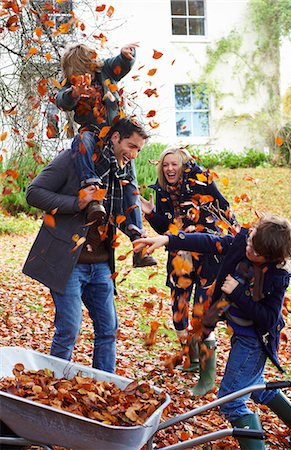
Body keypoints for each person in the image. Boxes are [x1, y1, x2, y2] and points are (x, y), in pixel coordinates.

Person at [133, 215, 291, 449]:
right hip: (240, 333)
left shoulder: (277, 276)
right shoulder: (244, 241)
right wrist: (167, 240)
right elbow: (209, 242)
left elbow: (270, 320)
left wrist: (237, 293)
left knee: (231, 400)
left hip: (253, 341)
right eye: (250, 241)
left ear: (270, 258)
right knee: (254, 385)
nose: (248, 248)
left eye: (255, 250)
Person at [22, 119, 149, 374]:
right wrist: (77, 203)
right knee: (69, 329)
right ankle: (54, 386)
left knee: (108, 330)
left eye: (138, 150)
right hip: (68, 262)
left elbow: (117, 212)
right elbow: (33, 193)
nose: (133, 155)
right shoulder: (72, 159)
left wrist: (137, 233)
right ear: (114, 138)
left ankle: (105, 384)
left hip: (101, 265)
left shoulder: (122, 171)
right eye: (131, 146)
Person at [140, 147, 237, 395]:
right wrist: (151, 213)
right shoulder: (162, 192)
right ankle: (192, 360)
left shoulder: (201, 184)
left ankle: (207, 379)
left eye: (175, 164)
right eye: (165, 165)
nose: (170, 169)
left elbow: (224, 208)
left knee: (202, 317)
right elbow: (166, 228)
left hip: (207, 257)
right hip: (179, 258)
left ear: (183, 166)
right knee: (178, 316)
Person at [55, 42, 156, 267]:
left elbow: (120, 65)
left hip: (115, 134)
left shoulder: (104, 72)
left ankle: (139, 243)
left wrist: (126, 56)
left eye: (87, 73)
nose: (84, 79)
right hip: (92, 133)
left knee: (129, 185)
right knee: (81, 140)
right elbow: (61, 100)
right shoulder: (69, 84)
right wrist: (74, 93)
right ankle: (92, 193)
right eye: (78, 76)